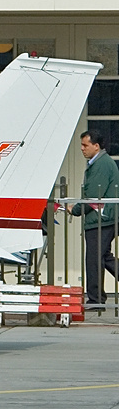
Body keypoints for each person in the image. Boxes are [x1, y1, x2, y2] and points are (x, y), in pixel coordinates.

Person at [68, 129, 119, 307]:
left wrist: (74, 209)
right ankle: (97, 297)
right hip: (103, 218)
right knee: (103, 257)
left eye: (85, 145)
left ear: (96, 146)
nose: (82, 149)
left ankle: (96, 299)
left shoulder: (101, 165)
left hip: (102, 219)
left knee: (94, 259)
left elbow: (91, 196)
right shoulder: (100, 163)